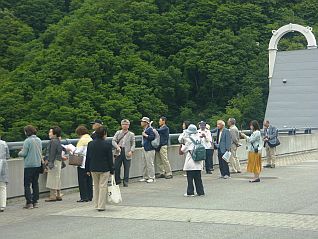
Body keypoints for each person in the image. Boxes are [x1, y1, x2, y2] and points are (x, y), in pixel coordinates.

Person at [86, 127, 114, 212]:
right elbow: (110, 158)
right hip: (104, 168)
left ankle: (96, 204)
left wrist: (87, 169)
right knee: (103, 186)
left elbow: (88, 157)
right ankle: (101, 206)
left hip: (93, 168)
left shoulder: (90, 144)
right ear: (104, 134)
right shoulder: (107, 144)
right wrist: (112, 169)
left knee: (96, 186)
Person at [18, 125, 42, 209]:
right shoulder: (39, 140)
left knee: (27, 184)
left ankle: (29, 202)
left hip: (29, 165)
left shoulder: (27, 141)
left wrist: (19, 152)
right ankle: (35, 201)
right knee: (35, 183)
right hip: (38, 165)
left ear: (26, 132)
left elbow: (24, 153)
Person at [180, 124, 205, 197]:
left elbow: (183, 150)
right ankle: (200, 191)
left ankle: (190, 192)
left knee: (190, 178)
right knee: (198, 178)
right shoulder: (200, 139)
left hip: (191, 160)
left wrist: (182, 146)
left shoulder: (189, 140)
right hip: (199, 161)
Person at [72, 126, 93, 202]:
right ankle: (90, 196)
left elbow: (77, 151)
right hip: (90, 162)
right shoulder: (90, 139)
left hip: (82, 162)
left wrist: (71, 149)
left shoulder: (82, 140)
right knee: (89, 180)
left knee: (82, 180)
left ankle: (84, 197)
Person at [112, 119, 136, 187]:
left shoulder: (131, 134)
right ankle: (117, 181)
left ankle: (126, 181)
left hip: (127, 151)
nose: (125, 126)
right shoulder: (118, 133)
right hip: (119, 151)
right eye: (123, 124)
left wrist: (131, 151)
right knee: (117, 167)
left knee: (127, 167)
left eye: (126, 124)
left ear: (128, 125)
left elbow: (133, 144)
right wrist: (117, 147)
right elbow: (113, 141)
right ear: (121, 125)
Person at [45, 126, 63, 202]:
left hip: (54, 161)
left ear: (54, 133)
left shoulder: (53, 141)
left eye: (50, 132)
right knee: (57, 178)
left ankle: (52, 196)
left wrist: (49, 162)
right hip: (58, 161)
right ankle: (58, 194)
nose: (49, 133)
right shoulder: (58, 141)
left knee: (52, 178)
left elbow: (52, 153)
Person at [139, 117, 156, 183]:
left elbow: (152, 137)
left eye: (142, 121)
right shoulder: (145, 129)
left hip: (149, 149)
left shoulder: (150, 129)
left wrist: (145, 135)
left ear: (146, 123)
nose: (141, 123)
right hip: (145, 148)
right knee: (144, 163)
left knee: (150, 163)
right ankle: (145, 176)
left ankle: (152, 177)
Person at [0, 138, 10, 212]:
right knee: (3, 186)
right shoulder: (4, 143)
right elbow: (7, 156)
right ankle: (2, 206)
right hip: (3, 165)